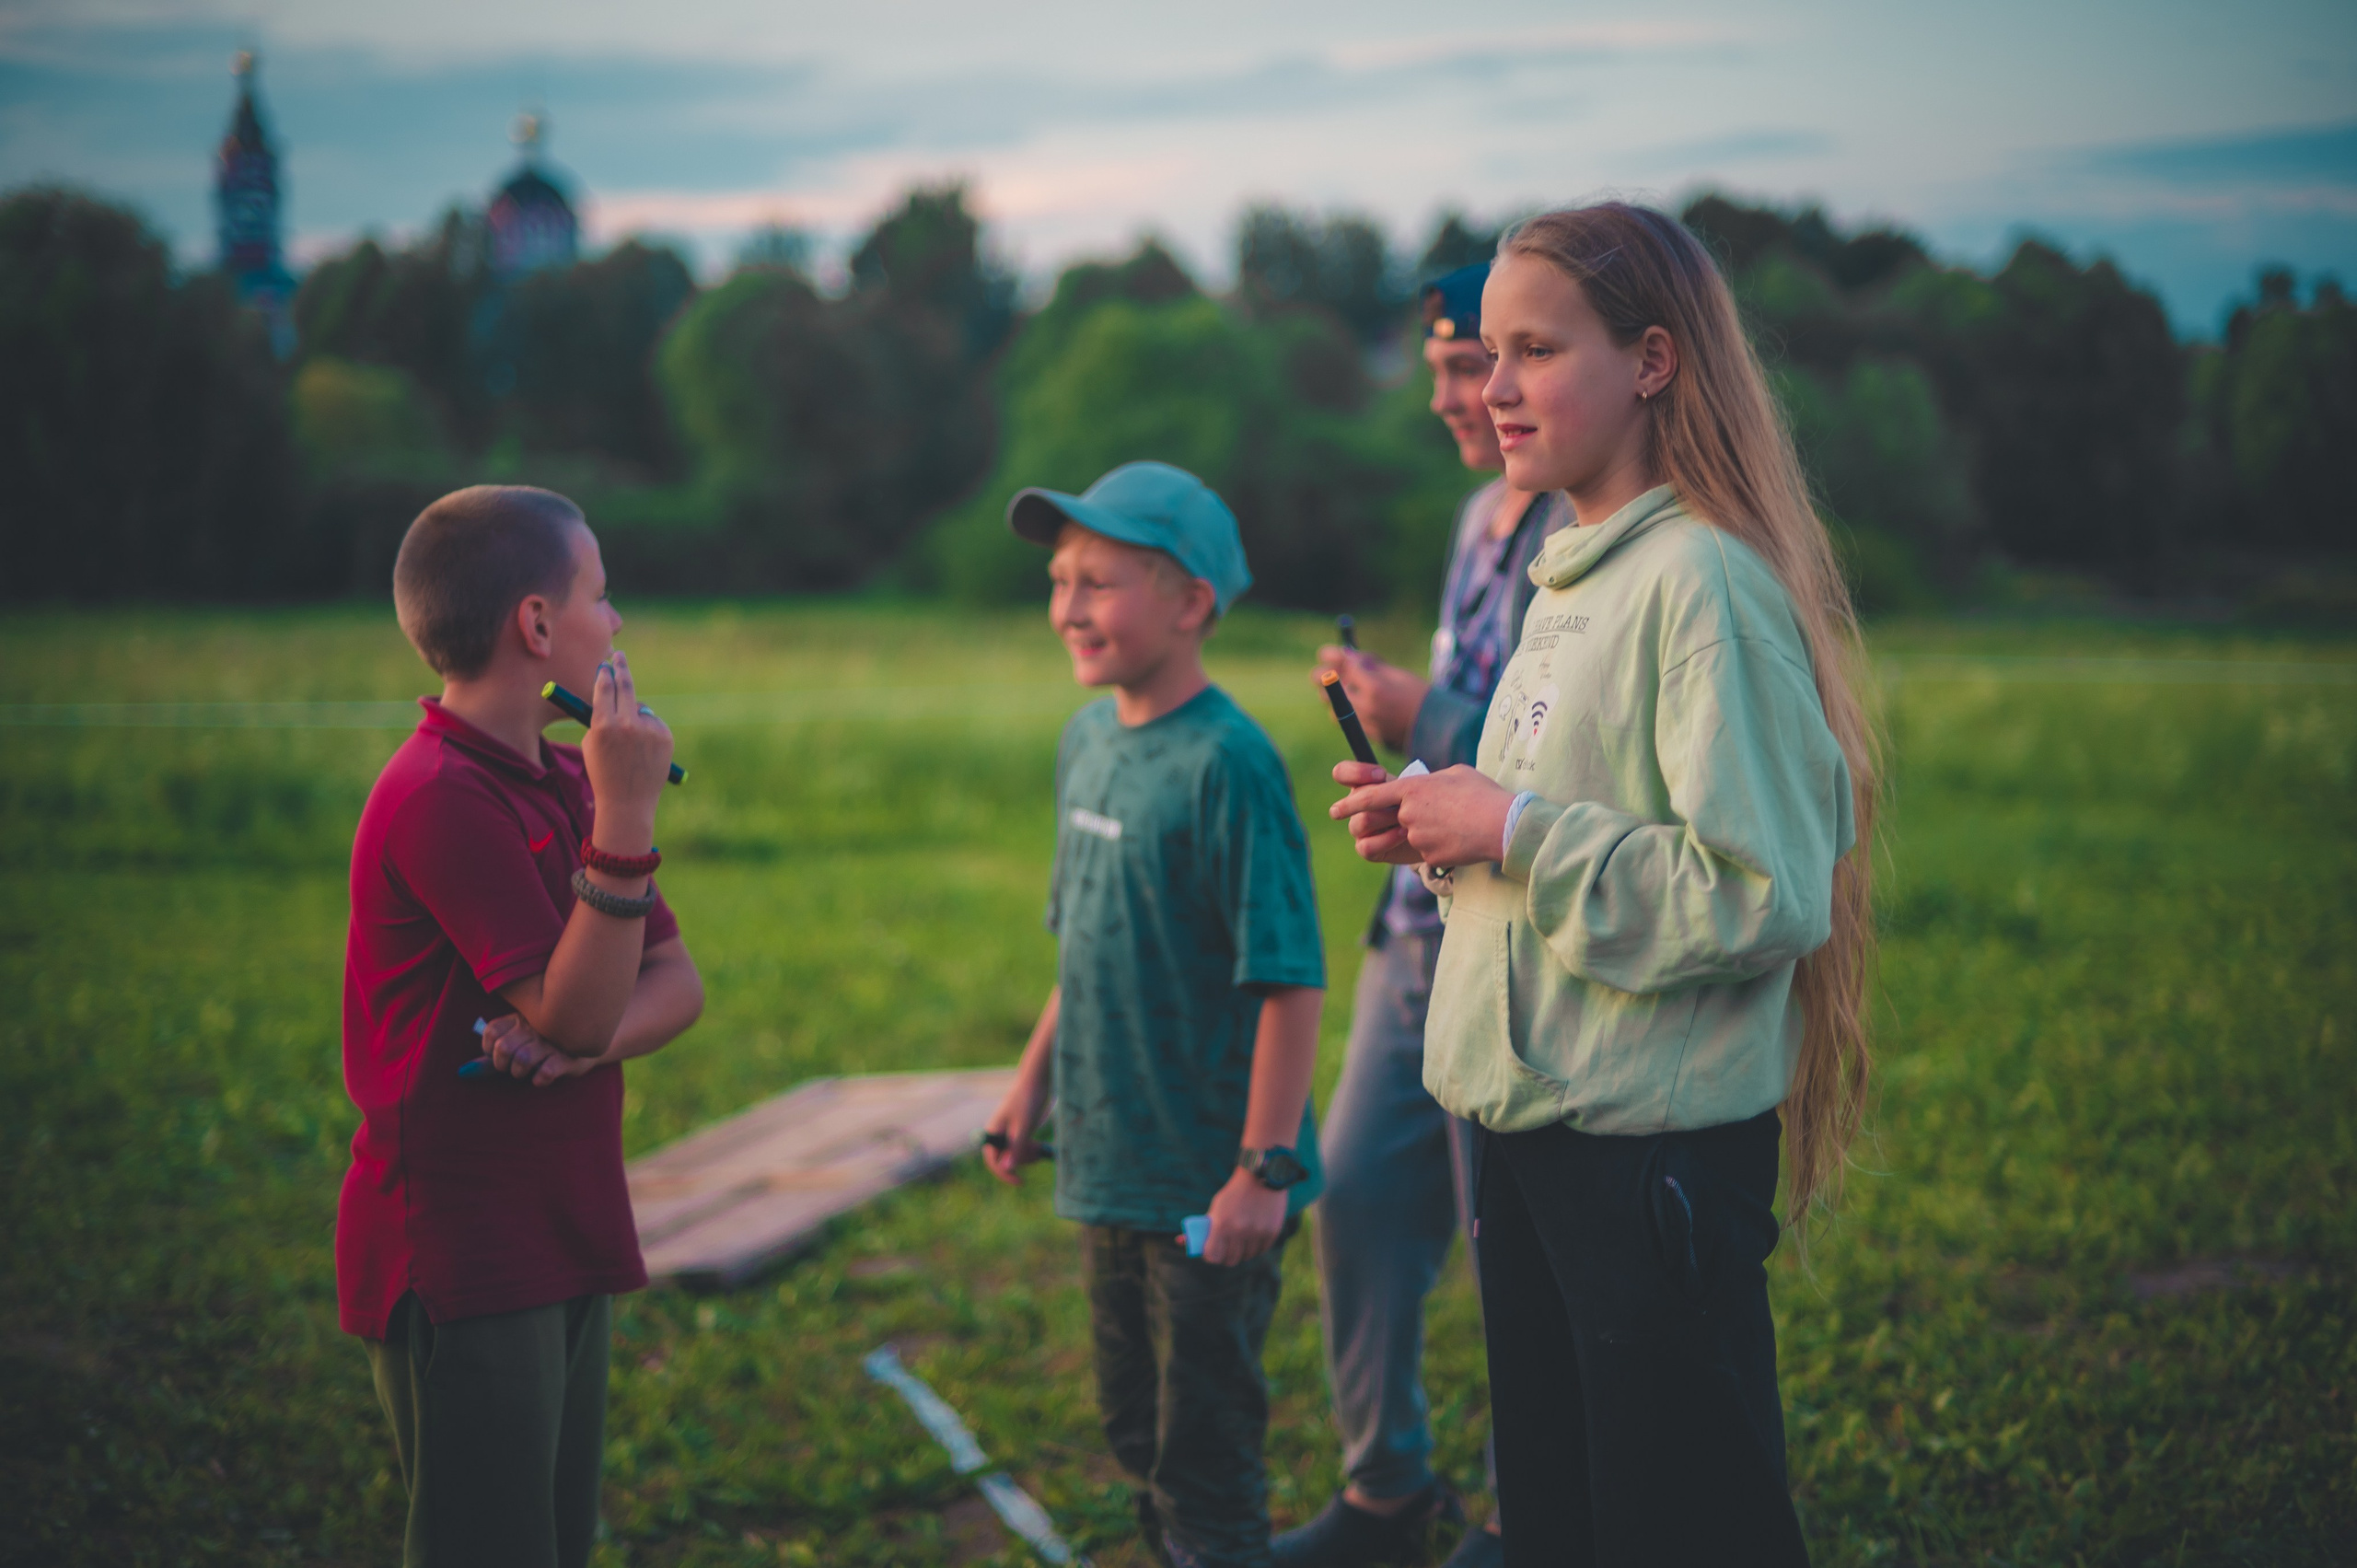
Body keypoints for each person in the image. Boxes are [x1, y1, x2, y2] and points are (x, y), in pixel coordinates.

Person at [1329, 203, 1878, 1567]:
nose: (1492, 388)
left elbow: (1758, 892)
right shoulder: (1569, 578)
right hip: (1532, 1137)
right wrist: (1448, 831)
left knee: (1676, 1525)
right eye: (1488, 353)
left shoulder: (1703, 585)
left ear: (1651, 360)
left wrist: (1510, 824)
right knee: (1565, 1519)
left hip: (1646, 1162)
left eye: (1534, 349)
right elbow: (1567, 839)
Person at [340, 485, 706, 1568]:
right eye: (601, 593)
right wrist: (627, 816)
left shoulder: (555, 774)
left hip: (562, 1218)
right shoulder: (440, 794)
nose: (618, 621)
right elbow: (587, 1002)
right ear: (537, 625)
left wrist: (579, 1041)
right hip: (467, 1246)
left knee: (551, 1539)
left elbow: (674, 983)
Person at [981, 461, 1329, 1568]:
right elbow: (1081, 947)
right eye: (1060, 580)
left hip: (1208, 1182)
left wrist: (1261, 1168)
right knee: (1133, 1424)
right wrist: (1029, 1087)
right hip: (1108, 1160)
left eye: (1101, 581)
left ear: (1190, 603)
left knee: (1204, 1452)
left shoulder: (1230, 762)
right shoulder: (1086, 741)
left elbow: (1290, 979)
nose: (1069, 607)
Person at [1277, 262, 1568, 1568]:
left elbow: (1546, 748)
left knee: (1508, 1243)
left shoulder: (1578, 519)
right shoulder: (1473, 519)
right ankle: (1385, 1489)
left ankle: (1525, 1516)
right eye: (1448, 368)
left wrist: (1417, 710)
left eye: (1478, 365)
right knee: (1352, 1193)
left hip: (1513, 940)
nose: (1461, 394)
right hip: (1413, 934)